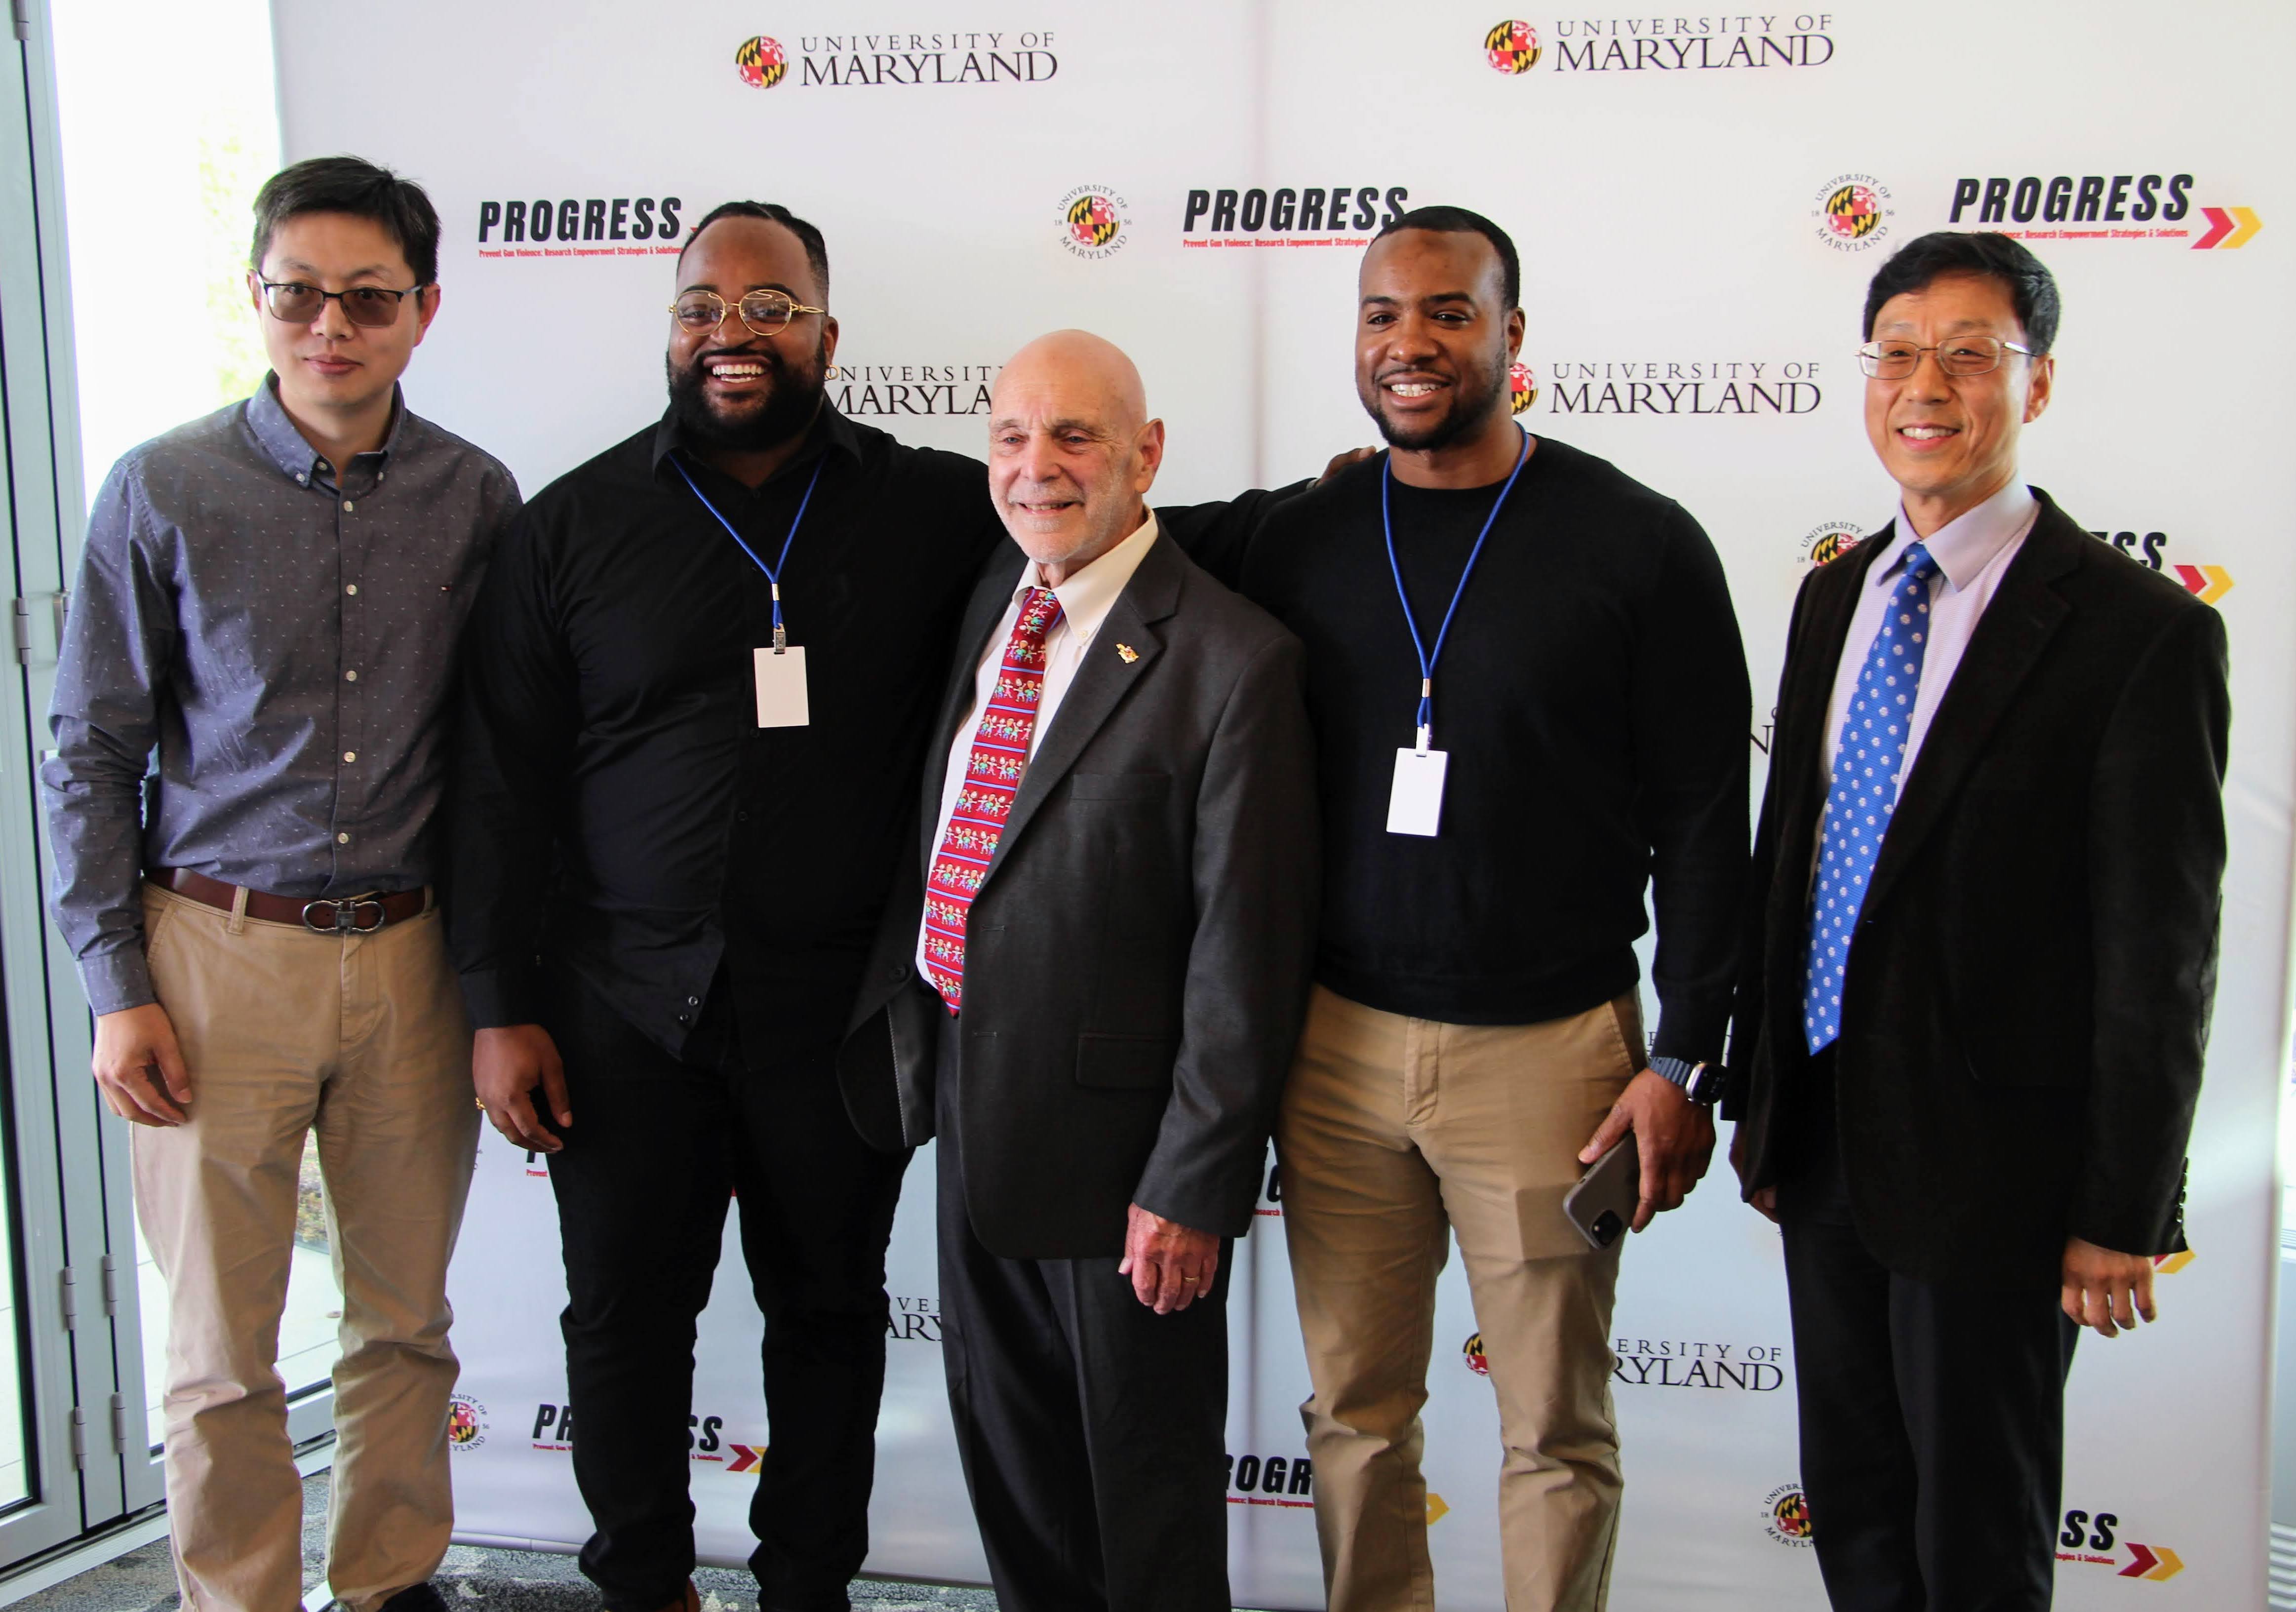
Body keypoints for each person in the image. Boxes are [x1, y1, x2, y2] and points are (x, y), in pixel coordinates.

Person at [449, 205, 1313, 1612]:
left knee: (831, 1319)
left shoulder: (925, 509)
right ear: (671, 326)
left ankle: (807, 1587)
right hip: (618, 1010)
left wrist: (1343, 507)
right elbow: (497, 787)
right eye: (703, 304)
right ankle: (645, 1586)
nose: (733, 329)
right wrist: (499, 1007)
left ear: (826, 336)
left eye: (772, 306)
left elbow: (1105, 538)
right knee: (619, 1324)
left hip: (835, 1019)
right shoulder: (569, 527)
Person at [1193, 205, 1750, 1612]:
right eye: (1382, 314)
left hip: (1552, 1054)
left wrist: (1682, 1055)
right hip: (1333, 1049)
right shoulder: (1299, 534)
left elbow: (1702, 817)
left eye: (1447, 312)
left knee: (1552, 1431)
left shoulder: (1639, 544)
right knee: (1353, 1412)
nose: (1410, 342)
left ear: (1513, 334)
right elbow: (1094, 536)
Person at [1725, 230, 2227, 1612]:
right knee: (1859, 1525)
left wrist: (2121, 1207)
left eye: (1968, 354)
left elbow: (2159, 948)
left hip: (1998, 1178)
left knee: (1976, 1543)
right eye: (1895, 351)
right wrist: (1766, 1109)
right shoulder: (1837, 594)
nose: (1923, 384)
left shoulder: (2136, 634)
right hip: (1824, 1144)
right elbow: (1795, 864)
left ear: (2037, 384)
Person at [41, 157, 518, 1612]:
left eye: (367, 298)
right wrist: (115, 985)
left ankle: (385, 1579)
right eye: (298, 293)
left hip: (412, 956)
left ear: (423, 311)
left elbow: (505, 757)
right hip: (213, 952)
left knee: (406, 1320)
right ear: (256, 297)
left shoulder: (476, 494)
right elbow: (89, 749)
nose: (331, 326)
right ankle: (237, 1594)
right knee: (219, 1345)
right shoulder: (163, 486)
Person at [838, 331, 1317, 1612]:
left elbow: (1245, 954)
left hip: (1127, 1171)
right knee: (1020, 1489)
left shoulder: (1231, 660)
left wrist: (1193, 1183)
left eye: (1074, 438)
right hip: (970, 1110)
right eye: (1011, 436)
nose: (1035, 466)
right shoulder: (995, 592)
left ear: (1144, 453)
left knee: (1144, 1512)